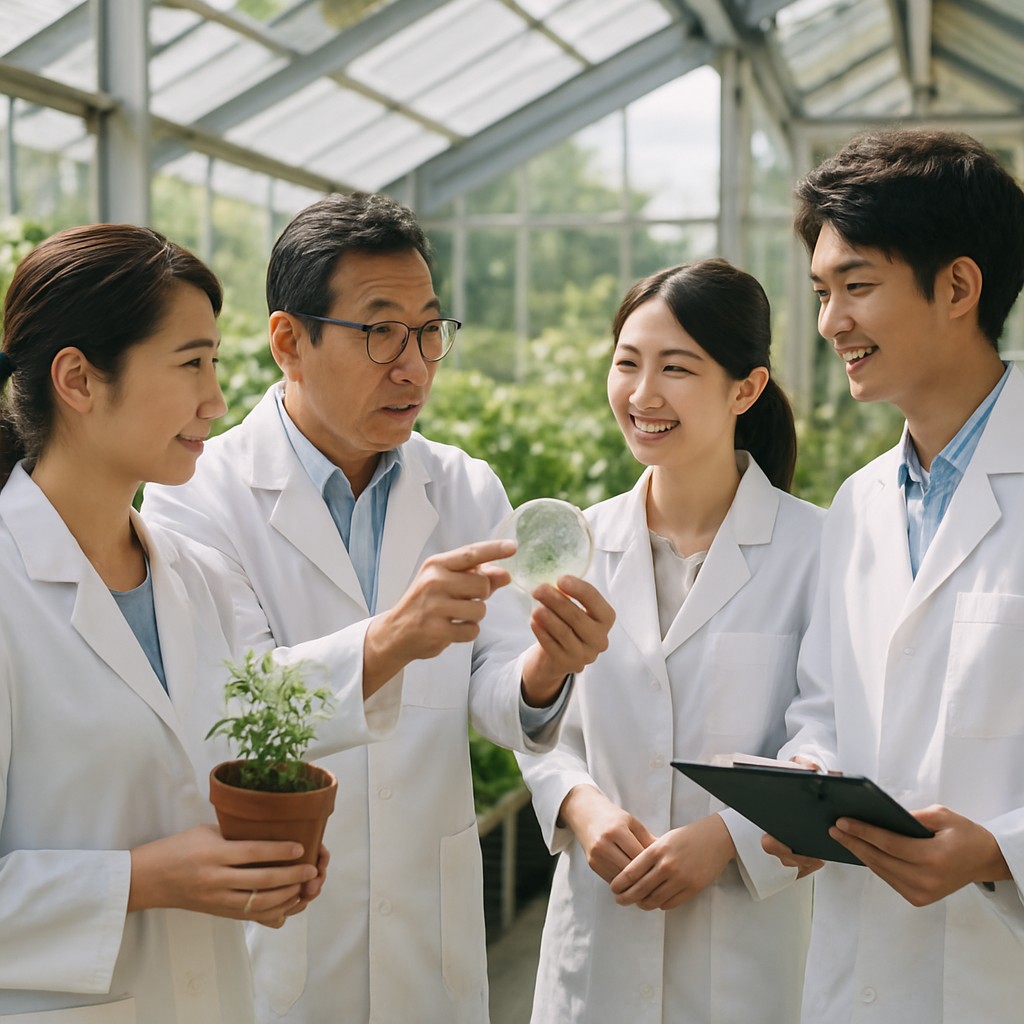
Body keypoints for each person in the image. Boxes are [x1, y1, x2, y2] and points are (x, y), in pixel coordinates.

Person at [142, 191, 615, 1023]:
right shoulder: (197, 495)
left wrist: (546, 668)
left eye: (431, 330)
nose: (415, 365)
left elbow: (494, 690)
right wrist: (393, 638)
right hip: (279, 939)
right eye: (381, 330)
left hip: (424, 940)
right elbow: (228, 703)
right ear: (290, 340)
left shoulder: (464, 486)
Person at [0, 224, 327, 1021]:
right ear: (78, 378)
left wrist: (264, 866)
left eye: (214, 362)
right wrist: (144, 880)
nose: (216, 399)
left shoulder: (198, 578)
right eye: (191, 363)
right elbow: (157, 860)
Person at [516, 259, 823, 1023]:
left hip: (747, 956)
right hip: (599, 940)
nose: (643, 395)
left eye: (676, 368)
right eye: (627, 364)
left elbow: (830, 728)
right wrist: (581, 808)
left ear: (745, 389)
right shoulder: (578, 542)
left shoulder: (817, 548)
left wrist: (728, 836)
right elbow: (539, 722)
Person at [766, 128, 1024, 1024]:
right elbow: (828, 705)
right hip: (862, 972)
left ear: (958, 286)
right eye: (823, 293)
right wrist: (805, 776)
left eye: (858, 287)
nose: (832, 322)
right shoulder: (861, 504)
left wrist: (1001, 850)